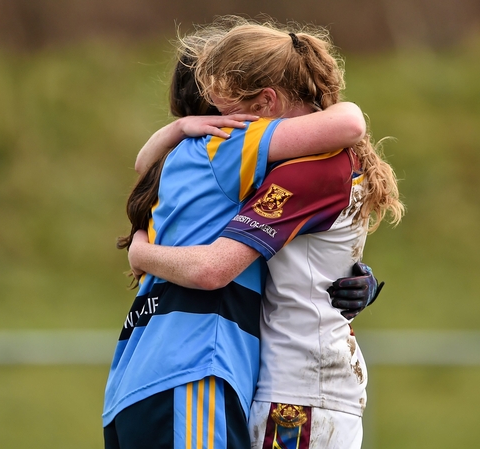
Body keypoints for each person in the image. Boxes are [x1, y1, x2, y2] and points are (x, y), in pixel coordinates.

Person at [103, 17, 380, 449]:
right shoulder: (233, 142)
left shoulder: (177, 162)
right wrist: (140, 256)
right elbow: (348, 125)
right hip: (194, 370)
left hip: (137, 373)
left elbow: (141, 162)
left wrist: (345, 271)